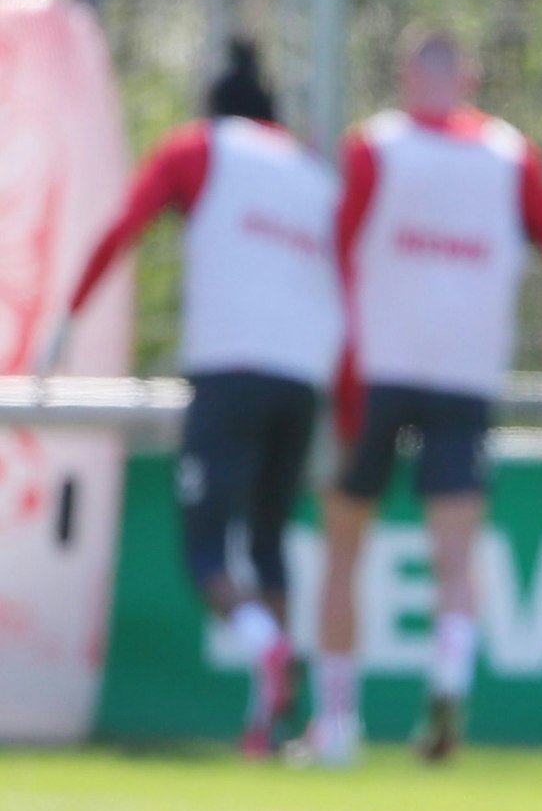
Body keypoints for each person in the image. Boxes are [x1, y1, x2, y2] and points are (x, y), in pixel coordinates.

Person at [306, 28, 542, 766]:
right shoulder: (508, 155)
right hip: (464, 377)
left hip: (373, 370)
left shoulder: (374, 147)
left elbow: (332, 253)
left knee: (344, 545)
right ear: (466, 75)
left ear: (409, 74)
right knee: (453, 551)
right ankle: (446, 683)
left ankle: (336, 726)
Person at [43, 39, 339, 759]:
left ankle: (269, 649)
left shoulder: (197, 150)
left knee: (205, 549)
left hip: (230, 370)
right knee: (268, 541)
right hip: (303, 378)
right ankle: (273, 723)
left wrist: (67, 321)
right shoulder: (312, 171)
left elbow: (123, 228)